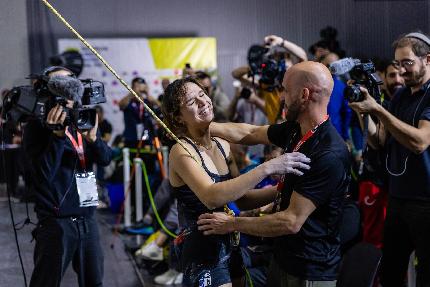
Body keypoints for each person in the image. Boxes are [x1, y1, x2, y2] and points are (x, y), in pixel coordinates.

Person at [198, 61, 351, 287]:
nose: (281, 97)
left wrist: (231, 224)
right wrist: (199, 127)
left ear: (304, 94)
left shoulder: (329, 152)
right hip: (283, 259)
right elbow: (249, 132)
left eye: (286, 91)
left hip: (308, 272)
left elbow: (290, 222)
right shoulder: (296, 129)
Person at [161, 77, 311, 287]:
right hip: (202, 252)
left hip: (230, 243)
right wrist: (268, 167)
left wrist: (283, 188)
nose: (203, 102)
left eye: (202, 94)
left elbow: (241, 199)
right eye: (191, 102)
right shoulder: (181, 151)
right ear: (178, 117)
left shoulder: (222, 145)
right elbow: (212, 196)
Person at [349, 32, 430, 287]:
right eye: (397, 64)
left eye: (407, 63)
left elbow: (419, 142)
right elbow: (378, 141)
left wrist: (379, 110)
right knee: (391, 272)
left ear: (427, 59)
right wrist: (364, 112)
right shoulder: (400, 96)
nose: (402, 71)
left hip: (426, 202)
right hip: (397, 197)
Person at [23, 66, 112, 287]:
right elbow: (42, 176)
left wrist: (94, 140)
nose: (65, 92)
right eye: (58, 86)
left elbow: (106, 159)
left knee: (94, 281)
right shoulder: (37, 126)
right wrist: (57, 138)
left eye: (70, 84)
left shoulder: (82, 119)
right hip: (56, 223)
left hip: (87, 218)